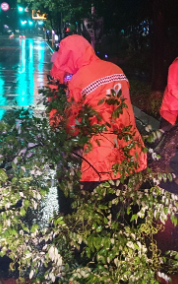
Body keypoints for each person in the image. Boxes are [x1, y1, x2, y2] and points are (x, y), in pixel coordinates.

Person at [49, 34, 148, 189]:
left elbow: (72, 126)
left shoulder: (79, 79)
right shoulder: (116, 69)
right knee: (122, 203)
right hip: (129, 151)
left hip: (98, 160)